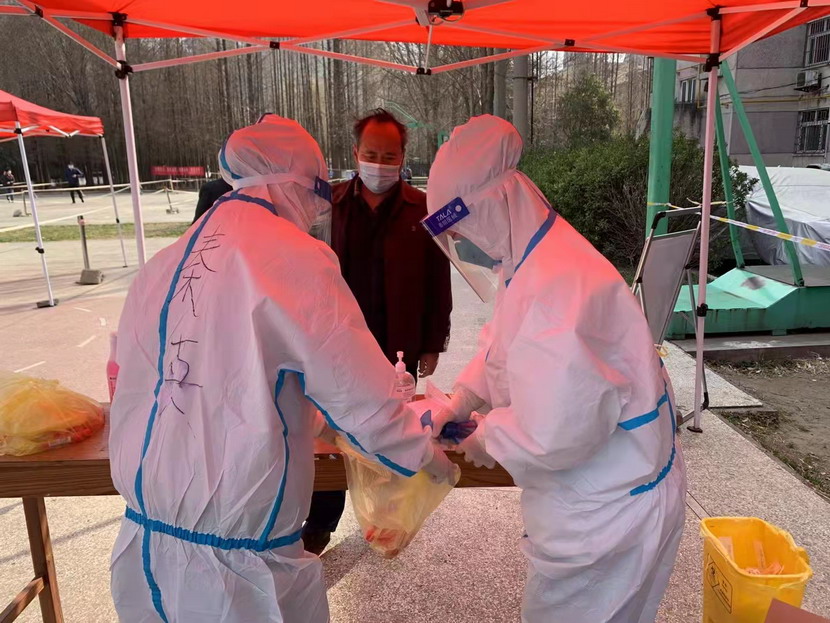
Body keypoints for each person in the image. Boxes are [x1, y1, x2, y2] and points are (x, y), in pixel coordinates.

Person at [109, 115, 456, 623]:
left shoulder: (167, 258)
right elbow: (362, 398)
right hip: (240, 566)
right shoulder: (295, 256)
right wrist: (426, 452)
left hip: (141, 546)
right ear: (299, 184)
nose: (314, 215)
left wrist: (315, 417)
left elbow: (223, 374)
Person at [427, 116, 686, 623]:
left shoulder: (558, 284)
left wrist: (486, 437)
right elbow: (505, 342)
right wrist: (462, 398)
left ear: (491, 206)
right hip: (610, 491)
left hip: (609, 516)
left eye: (458, 225)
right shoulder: (532, 257)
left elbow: (556, 432)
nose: (458, 238)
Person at [302, 109, 453, 554]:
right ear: (355, 153)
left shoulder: (425, 209)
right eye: (371, 154)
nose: (380, 164)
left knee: (392, 425)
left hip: (398, 343)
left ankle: (387, 519)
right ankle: (321, 518)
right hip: (337, 344)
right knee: (333, 428)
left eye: (390, 156)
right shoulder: (328, 205)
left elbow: (439, 280)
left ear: (403, 157)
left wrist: (433, 343)